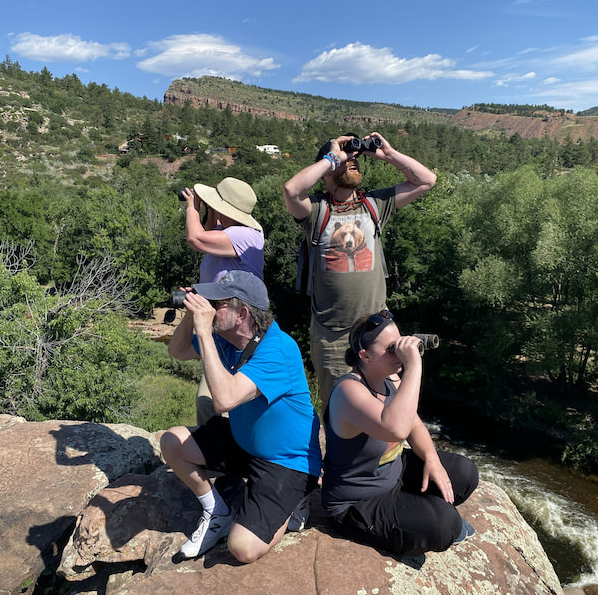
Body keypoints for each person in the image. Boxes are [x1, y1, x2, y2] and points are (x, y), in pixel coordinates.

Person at [160, 270, 322, 564]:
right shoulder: (227, 339)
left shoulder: (278, 349)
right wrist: (189, 316)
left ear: (242, 313)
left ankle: (296, 498)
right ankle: (216, 511)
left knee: (243, 548)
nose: (208, 306)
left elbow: (223, 400)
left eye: (217, 302)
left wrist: (205, 331)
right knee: (171, 442)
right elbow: (178, 350)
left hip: (286, 461)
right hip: (244, 444)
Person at [283, 132, 436, 410]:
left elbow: (427, 180)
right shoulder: (317, 210)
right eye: (345, 159)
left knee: (392, 404)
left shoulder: (374, 204)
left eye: (354, 159)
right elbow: (291, 190)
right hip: (332, 336)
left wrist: (387, 154)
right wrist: (334, 157)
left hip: (379, 330)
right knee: (340, 412)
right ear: (327, 169)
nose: (352, 161)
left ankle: (392, 454)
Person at [321, 310, 478, 557]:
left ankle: (418, 507)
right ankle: (426, 515)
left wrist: (432, 459)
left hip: (394, 476)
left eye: (399, 342)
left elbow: (414, 425)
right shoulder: (348, 392)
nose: (400, 352)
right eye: (391, 348)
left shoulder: (390, 379)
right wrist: (414, 365)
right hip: (357, 502)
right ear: (365, 355)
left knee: (464, 473)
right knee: (444, 525)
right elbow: (396, 427)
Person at [179, 176, 265, 423]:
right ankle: (215, 451)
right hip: (222, 323)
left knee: (221, 398)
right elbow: (207, 232)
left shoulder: (246, 235)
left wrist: (192, 207)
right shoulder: (227, 232)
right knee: (208, 400)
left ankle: (230, 448)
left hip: (238, 322)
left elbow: (196, 238)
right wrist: (208, 211)